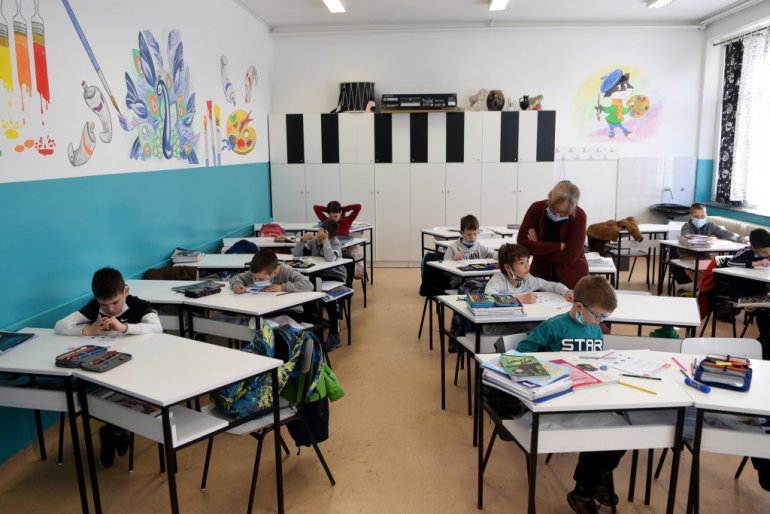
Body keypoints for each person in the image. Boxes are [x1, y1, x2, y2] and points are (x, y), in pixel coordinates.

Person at [517, 276, 622, 513]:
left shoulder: (595, 330)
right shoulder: (554, 326)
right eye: (598, 316)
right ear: (579, 306)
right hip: (560, 400)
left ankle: (600, 477)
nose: (601, 322)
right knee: (600, 433)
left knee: (622, 429)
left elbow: (597, 359)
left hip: (588, 395)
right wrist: (550, 367)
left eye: (605, 317)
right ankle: (583, 492)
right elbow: (523, 351)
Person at [54, 267, 162, 469]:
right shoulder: (93, 307)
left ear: (126, 292)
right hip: (104, 368)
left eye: (115, 302)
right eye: (104, 304)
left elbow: (157, 328)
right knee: (106, 396)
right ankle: (117, 431)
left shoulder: (139, 305)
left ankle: (112, 433)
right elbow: (60, 325)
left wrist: (125, 327)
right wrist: (88, 329)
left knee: (127, 397)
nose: (110, 309)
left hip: (139, 368)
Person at [483, 243, 573, 335]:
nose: (527, 267)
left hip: (519, 320)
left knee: (547, 326)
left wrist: (566, 292)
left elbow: (552, 286)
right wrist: (520, 299)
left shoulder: (526, 279)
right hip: (496, 326)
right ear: (507, 267)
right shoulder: (498, 280)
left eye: (527, 261)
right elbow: (488, 298)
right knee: (540, 329)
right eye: (521, 263)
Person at [517, 180, 588, 289]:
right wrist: (558, 246)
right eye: (553, 208)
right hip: (540, 274)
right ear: (550, 199)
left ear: (572, 208)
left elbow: (570, 256)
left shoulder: (579, 216)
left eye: (564, 213)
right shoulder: (536, 209)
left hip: (570, 277)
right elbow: (522, 244)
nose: (557, 214)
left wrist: (538, 246)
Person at [293, 219, 346, 350]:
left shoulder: (335, 243)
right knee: (305, 295)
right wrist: (302, 241)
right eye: (320, 232)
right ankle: (316, 324)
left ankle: (335, 335)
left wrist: (326, 241)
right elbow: (295, 255)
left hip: (335, 276)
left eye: (324, 234)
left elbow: (330, 258)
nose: (320, 235)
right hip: (317, 275)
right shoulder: (314, 242)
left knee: (331, 300)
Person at [673, 203, 749, 289]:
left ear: (706, 215)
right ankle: (705, 291)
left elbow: (725, 234)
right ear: (691, 216)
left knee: (715, 272)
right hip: (688, 257)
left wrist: (740, 239)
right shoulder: (686, 226)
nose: (700, 218)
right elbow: (687, 237)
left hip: (704, 257)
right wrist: (708, 239)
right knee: (699, 275)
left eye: (702, 216)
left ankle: (717, 290)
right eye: (696, 216)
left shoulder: (710, 226)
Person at [725, 228, 770, 360]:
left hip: (759, 290)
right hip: (742, 292)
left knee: (766, 308)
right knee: (765, 306)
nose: (767, 254)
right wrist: (756, 263)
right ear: (753, 247)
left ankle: (763, 339)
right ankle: (764, 344)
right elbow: (730, 262)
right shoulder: (745, 252)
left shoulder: (767, 253)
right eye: (764, 252)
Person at [314, 201, 365, 279]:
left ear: (340, 213)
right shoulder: (327, 221)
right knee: (341, 255)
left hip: (347, 244)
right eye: (331, 217)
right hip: (334, 245)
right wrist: (329, 210)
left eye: (335, 216)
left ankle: (358, 273)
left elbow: (358, 207)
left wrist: (342, 209)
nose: (333, 219)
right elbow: (316, 208)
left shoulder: (347, 220)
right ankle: (348, 273)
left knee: (356, 251)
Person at [230, 249, 313, 294]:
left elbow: (308, 284)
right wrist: (236, 285)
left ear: (275, 272)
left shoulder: (286, 272)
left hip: (287, 310)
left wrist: (281, 287)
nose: (256, 281)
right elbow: (236, 277)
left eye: (261, 279)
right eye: (254, 278)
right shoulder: (256, 273)